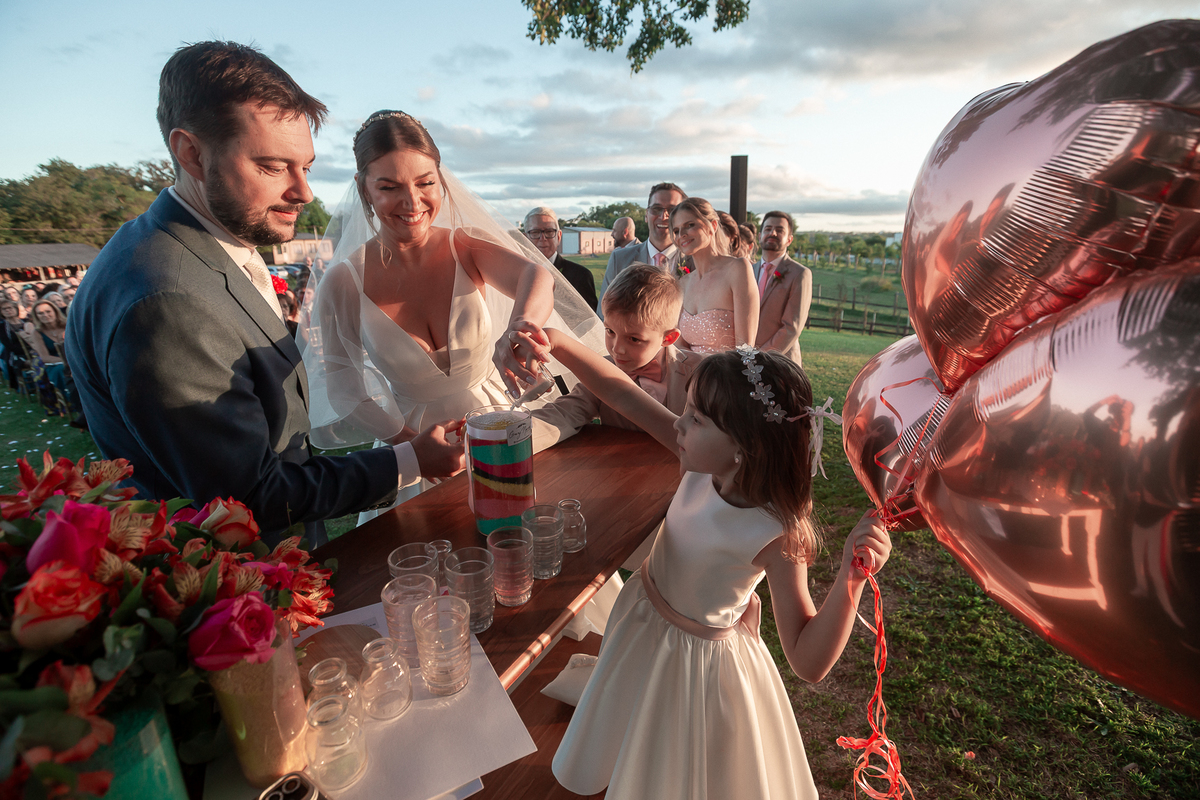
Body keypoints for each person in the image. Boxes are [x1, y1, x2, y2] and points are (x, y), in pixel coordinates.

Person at [66, 42, 463, 547]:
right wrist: (410, 459)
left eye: (307, 167)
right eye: (274, 167)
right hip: (243, 585)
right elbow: (249, 497)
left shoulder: (189, 246)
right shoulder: (168, 301)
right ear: (191, 153)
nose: (304, 192)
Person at [531, 332, 891, 798]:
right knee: (631, 730)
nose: (678, 424)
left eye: (695, 418)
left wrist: (851, 578)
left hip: (691, 668)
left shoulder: (773, 533)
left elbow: (807, 659)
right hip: (643, 623)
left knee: (675, 767)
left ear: (745, 446)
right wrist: (556, 342)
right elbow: (619, 389)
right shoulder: (701, 464)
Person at [299, 110, 603, 520]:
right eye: (389, 187)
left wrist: (520, 326)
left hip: (499, 425)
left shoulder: (465, 247)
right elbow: (343, 387)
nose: (413, 203)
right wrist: (412, 449)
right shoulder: (343, 281)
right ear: (363, 189)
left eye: (426, 183)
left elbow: (535, 275)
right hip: (410, 443)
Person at [533, 263, 701, 446]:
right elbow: (562, 414)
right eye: (610, 331)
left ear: (668, 337)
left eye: (634, 339)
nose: (617, 349)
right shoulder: (600, 373)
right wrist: (510, 434)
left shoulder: (699, 374)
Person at [672, 198, 758, 355]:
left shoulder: (738, 269)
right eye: (676, 230)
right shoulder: (683, 283)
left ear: (712, 226)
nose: (681, 235)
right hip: (690, 375)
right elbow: (679, 346)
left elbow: (745, 347)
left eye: (689, 225)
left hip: (729, 374)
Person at [596, 183, 686, 318]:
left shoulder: (696, 262)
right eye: (656, 209)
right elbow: (604, 314)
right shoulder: (619, 260)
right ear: (646, 215)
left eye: (672, 210)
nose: (664, 216)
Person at [754, 211, 812, 365]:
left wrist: (759, 356)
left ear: (789, 239)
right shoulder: (747, 270)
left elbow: (791, 327)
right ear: (760, 236)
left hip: (780, 362)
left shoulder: (800, 274)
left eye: (780, 230)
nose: (772, 233)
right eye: (768, 229)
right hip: (744, 359)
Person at [525, 206, 598, 310]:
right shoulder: (517, 273)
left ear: (558, 236)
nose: (543, 238)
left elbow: (591, 322)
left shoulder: (581, 276)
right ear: (525, 238)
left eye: (549, 231)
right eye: (535, 232)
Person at [0, 299, 29, 391]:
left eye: (10, 308)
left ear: (16, 309)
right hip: (16, 355)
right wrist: (28, 351)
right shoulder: (2, 327)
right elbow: (9, 345)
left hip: (34, 350)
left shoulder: (26, 322)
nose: (8, 310)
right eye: (4, 309)